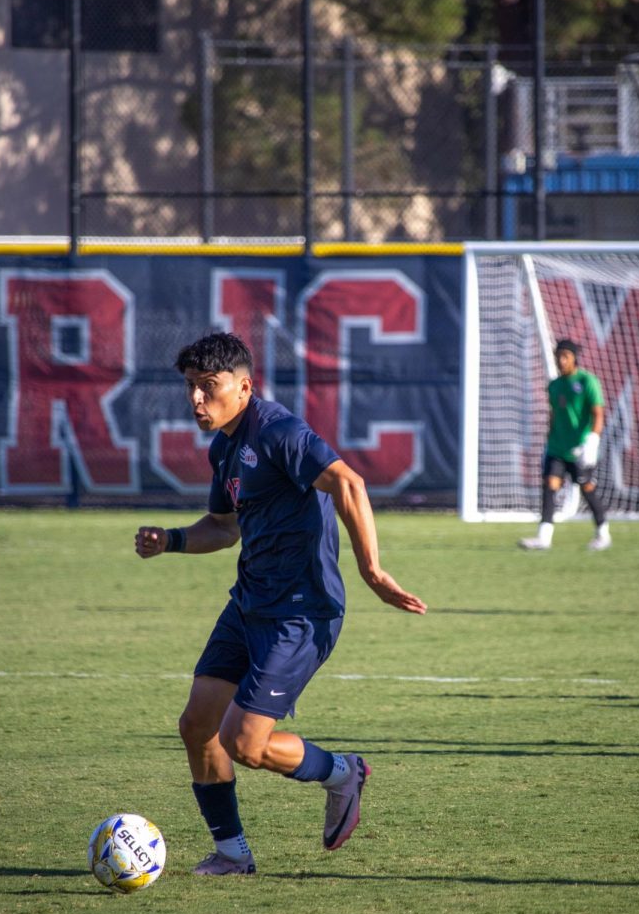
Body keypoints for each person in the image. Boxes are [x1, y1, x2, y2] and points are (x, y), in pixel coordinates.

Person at [135, 331, 427, 876]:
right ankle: (232, 853)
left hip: (300, 612)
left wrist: (372, 570)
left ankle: (343, 774)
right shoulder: (224, 445)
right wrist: (172, 539)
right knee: (197, 725)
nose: (197, 400)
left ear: (244, 387)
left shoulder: (278, 432)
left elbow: (348, 482)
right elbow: (224, 528)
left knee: (243, 742)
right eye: (191, 389)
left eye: (208, 387)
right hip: (248, 603)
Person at [518, 338, 612, 552]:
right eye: (558, 356)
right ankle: (544, 537)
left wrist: (592, 440)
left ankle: (603, 532)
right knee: (550, 487)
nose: (561, 361)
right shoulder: (554, 385)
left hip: (580, 449)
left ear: (574, 358)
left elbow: (598, 413)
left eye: (565, 357)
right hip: (556, 449)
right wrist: (548, 441)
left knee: (587, 488)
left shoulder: (588, 381)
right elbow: (554, 416)